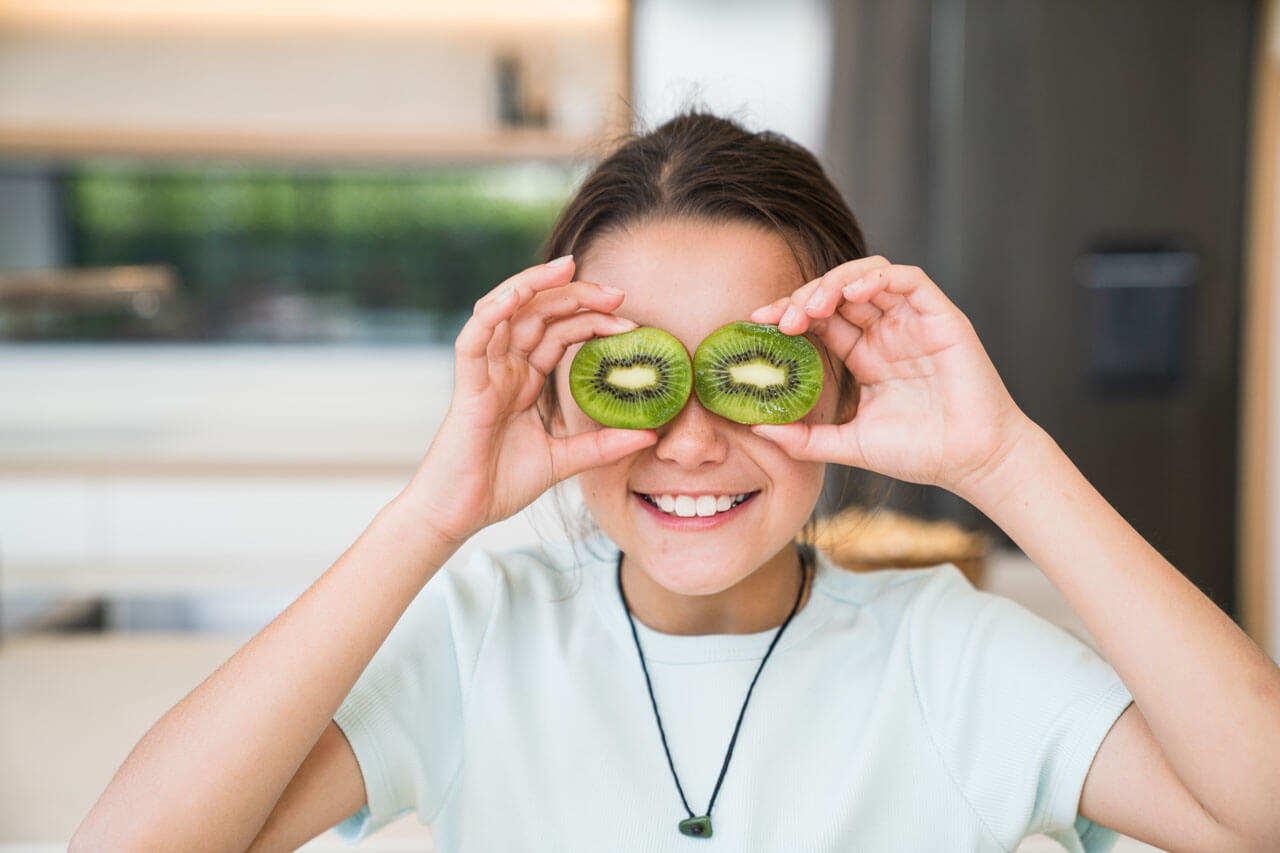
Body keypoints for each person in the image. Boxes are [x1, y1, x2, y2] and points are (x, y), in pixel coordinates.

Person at [72, 110, 1280, 853]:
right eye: (636, 376)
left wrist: (1003, 460)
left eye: (745, 372)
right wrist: (431, 516)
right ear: (558, 391)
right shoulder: (482, 636)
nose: (691, 442)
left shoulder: (948, 655)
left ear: (834, 388)